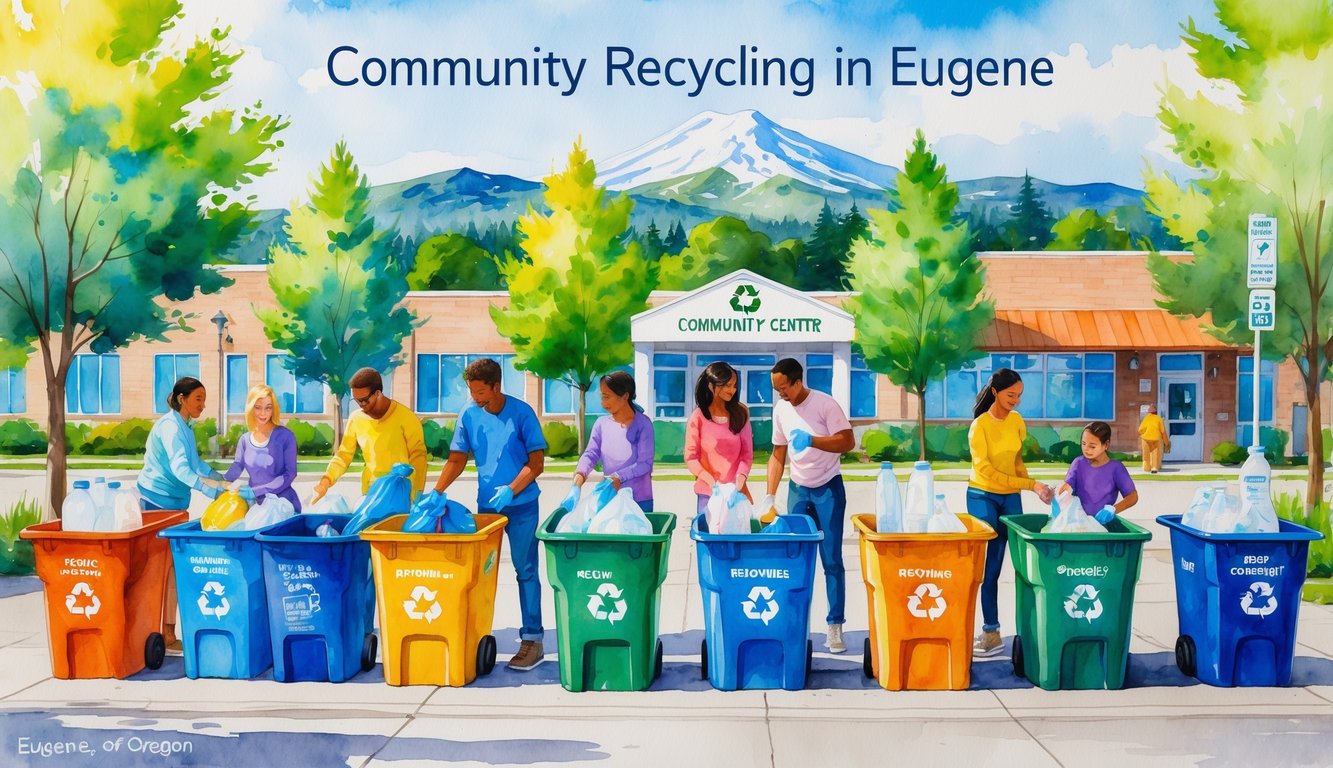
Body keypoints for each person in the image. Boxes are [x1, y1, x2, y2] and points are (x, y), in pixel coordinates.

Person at [433, 358, 548, 671]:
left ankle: (533, 640)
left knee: (526, 571)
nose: (475, 397)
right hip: (488, 510)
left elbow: (537, 463)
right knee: (482, 573)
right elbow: (457, 459)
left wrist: (512, 489)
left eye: (481, 391)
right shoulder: (469, 414)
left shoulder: (522, 413)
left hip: (523, 506)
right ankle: (477, 634)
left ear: (497, 386)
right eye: (472, 391)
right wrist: (437, 490)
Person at [764, 358, 855, 654]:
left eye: (783, 388)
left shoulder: (825, 404)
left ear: (797, 381)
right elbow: (778, 453)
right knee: (794, 560)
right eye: (776, 390)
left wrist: (813, 440)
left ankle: (835, 625)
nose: (780, 394)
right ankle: (792, 623)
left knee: (831, 560)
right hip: (798, 489)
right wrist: (770, 494)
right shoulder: (781, 410)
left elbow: (847, 441)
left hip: (828, 488)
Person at [967, 368, 1055, 658]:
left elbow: (1016, 460)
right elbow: (987, 472)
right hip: (983, 497)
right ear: (995, 392)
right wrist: (1031, 484)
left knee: (1023, 566)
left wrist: (1037, 490)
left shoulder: (1017, 421)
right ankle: (991, 633)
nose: (1015, 400)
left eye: (1019, 395)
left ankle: (1029, 631)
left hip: (1011, 498)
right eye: (1010, 395)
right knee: (989, 570)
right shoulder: (979, 426)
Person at [137, 376, 228, 650]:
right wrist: (209, 489)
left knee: (173, 571)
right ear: (182, 399)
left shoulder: (185, 427)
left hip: (175, 507)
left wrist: (216, 476)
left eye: (204, 400)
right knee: (159, 572)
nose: (203, 405)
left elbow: (194, 462)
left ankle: (167, 633)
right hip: (154, 505)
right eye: (198, 399)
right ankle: (157, 633)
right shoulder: (170, 428)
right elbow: (180, 468)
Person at [312, 368, 427, 503]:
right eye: (357, 400)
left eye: (365, 400)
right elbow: (344, 455)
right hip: (370, 494)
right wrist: (325, 481)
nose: (361, 405)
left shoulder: (406, 418)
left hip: (401, 495)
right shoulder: (356, 419)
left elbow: (418, 458)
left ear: (378, 393)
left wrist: (415, 496)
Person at [566, 371, 655, 513]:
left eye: (607, 397)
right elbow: (591, 454)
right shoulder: (601, 424)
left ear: (625, 396)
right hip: (609, 498)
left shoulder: (643, 424)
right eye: (602, 397)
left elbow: (645, 463)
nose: (603, 403)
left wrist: (619, 477)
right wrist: (578, 480)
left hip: (638, 501)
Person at [684, 361, 753, 517]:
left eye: (734, 385)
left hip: (736, 493)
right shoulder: (698, 417)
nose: (732, 390)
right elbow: (691, 458)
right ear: (711, 386)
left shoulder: (741, 414)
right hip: (708, 493)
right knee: (708, 537)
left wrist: (739, 483)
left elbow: (747, 455)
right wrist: (713, 484)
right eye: (727, 385)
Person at [223, 385, 300, 512]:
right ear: (250, 408)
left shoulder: (285, 436)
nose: (263, 413)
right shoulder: (245, 440)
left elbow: (290, 473)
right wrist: (222, 483)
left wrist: (256, 491)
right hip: (256, 507)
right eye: (258, 408)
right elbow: (237, 465)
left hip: (283, 505)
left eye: (268, 408)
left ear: (273, 409)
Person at [1057, 421, 1139, 524]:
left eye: (1092, 446)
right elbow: (1067, 486)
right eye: (1083, 443)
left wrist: (1113, 509)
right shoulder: (1078, 463)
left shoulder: (1116, 468)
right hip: (1077, 523)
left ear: (1106, 445)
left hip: (1103, 526)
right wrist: (1061, 497)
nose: (1086, 449)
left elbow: (1132, 496)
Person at [1138, 404, 1170, 473]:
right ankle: (1155, 467)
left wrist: (1144, 433)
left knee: (1146, 455)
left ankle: (1146, 467)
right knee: (1156, 454)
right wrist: (1166, 443)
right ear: (1156, 412)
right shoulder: (1159, 419)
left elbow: (1140, 430)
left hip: (1145, 439)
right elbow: (1163, 432)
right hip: (1156, 439)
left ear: (1149, 412)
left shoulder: (1146, 419)